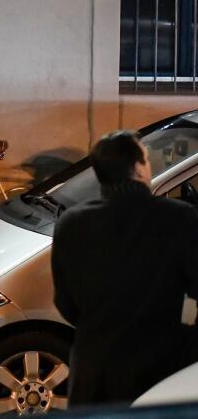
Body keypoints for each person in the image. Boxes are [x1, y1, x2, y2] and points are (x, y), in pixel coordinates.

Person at [52, 130, 198, 407]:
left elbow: (65, 302)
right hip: (159, 368)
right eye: (146, 157)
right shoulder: (178, 218)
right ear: (139, 168)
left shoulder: (71, 223)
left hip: (93, 371)